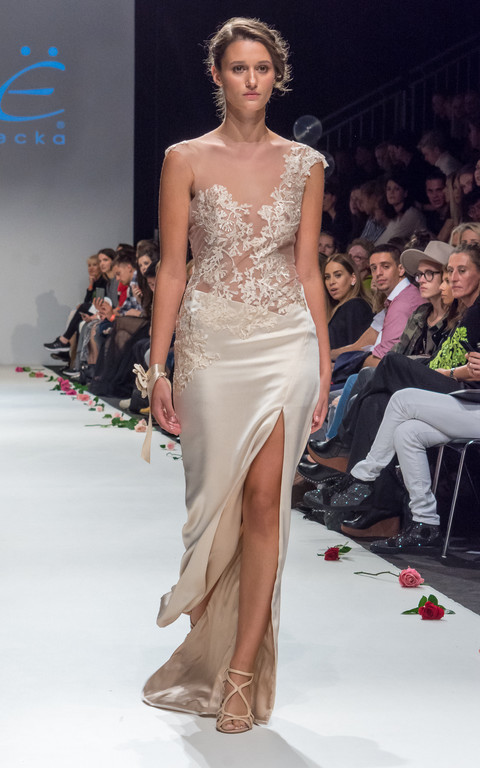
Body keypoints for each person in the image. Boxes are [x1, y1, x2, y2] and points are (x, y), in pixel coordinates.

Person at [139, 17, 330, 733]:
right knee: (210, 507)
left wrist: (324, 365)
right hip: (211, 344)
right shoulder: (184, 158)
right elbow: (173, 269)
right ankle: (207, 635)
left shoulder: (306, 163)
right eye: (239, 68)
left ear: (277, 77)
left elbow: (308, 270)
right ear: (217, 76)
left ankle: (243, 673)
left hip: (285, 341)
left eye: (263, 68)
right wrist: (158, 365)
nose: (252, 80)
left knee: (262, 502)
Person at [323, 253, 373, 348]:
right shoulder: (341, 308)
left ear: (353, 278)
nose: (331, 282)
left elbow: (357, 351)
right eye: (327, 277)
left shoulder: (355, 306)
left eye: (338, 275)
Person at [375, 172, 426, 244]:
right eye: (388, 189)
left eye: (396, 189)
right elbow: (383, 240)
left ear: (405, 193)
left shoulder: (411, 214)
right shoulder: (396, 217)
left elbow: (391, 242)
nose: (391, 192)